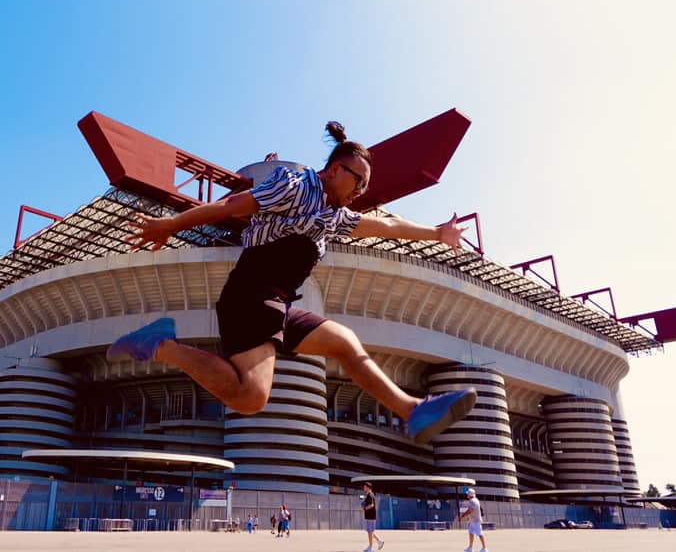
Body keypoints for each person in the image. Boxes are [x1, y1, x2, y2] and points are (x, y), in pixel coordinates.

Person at [107, 121, 477, 445]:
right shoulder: (296, 186)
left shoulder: (335, 216)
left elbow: (389, 226)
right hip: (250, 293)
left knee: (345, 343)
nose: (360, 191)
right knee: (251, 398)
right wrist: (169, 225)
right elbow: (232, 206)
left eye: (365, 186)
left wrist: (437, 233)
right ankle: (160, 344)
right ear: (334, 170)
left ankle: (413, 410)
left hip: (278, 304)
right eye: (358, 181)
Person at [458, 488, 487, 552]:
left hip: (476, 521)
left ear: (469, 494)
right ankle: (470, 547)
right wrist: (469, 517)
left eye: (467, 494)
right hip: (473, 520)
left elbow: (470, 510)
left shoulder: (472, 501)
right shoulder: (475, 500)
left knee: (479, 533)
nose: (467, 495)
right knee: (471, 533)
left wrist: (462, 516)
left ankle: (484, 548)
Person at [361, 482, 385, 552]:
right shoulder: (368, 495)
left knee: (370, 531)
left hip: (371, 516)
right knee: (370, 531)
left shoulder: (370, 495)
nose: (364, 488)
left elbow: (371, 505)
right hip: (369, 516)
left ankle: (371, 548)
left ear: (368, 488)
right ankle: (379, 541)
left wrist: (365, 508)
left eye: (364, 487)